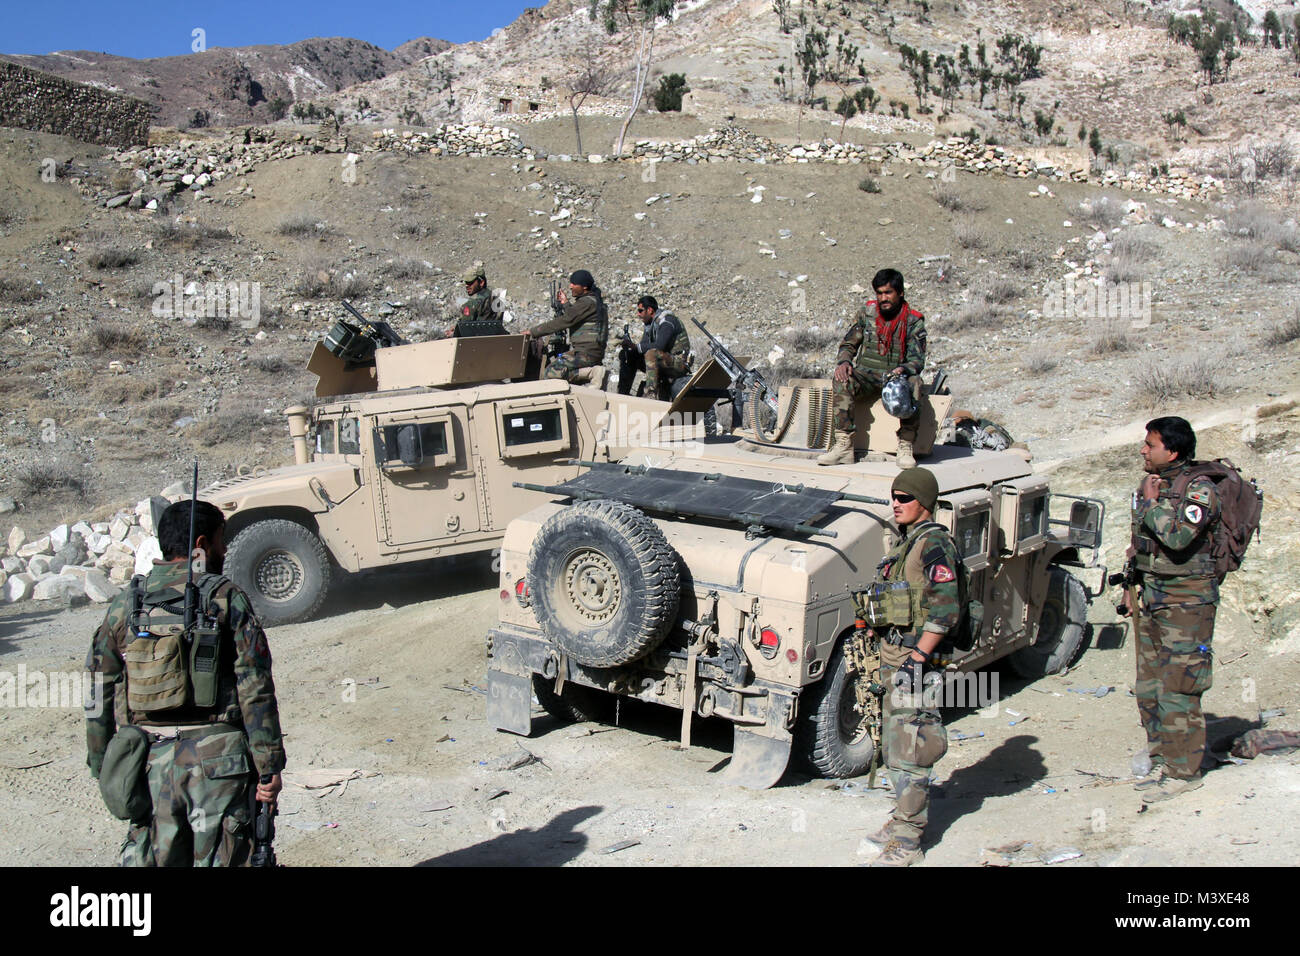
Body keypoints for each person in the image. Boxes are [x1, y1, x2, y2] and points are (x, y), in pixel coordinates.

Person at [85, 499, 286, 866]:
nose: (224, 551)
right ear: (201, 545)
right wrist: (269, 765)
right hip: (219, 763)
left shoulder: (123, 606)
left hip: (146, 762)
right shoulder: (227, 597)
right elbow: (255, 687)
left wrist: (104, 765)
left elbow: (98, 692)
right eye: (221, 541)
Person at [857, 467, 957, 866]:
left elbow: (946, 609)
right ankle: (902, 819)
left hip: (915, 660)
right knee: (895, 745)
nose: (896, 503)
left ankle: (909, 840)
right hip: (895, 655)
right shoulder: (908, 542)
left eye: (905, 497)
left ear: (925, 502)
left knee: (912, 749)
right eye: (893, 496)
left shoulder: (934, 546)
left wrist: (918, 658)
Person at [1129, 416, 1221, 804]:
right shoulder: (1153, 485)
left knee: (1179, 687)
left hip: (1187, 602)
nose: (1143, 451)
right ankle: (1161, 755)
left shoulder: (1200, 491)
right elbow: (1141, 539)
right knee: (1149, 686)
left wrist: (1152, 504)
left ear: (1174, 450)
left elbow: (1179, 537)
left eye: (1150, 445)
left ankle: (1185, 772)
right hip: (1151, 596)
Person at [819, 268, 926, 468]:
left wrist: (902, 370)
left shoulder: (913, 322)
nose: (883, 298)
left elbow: (917, 360)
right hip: (866, 375)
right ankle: (843, 445)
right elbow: (848, 344)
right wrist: (844, 362)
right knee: (842, 378)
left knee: (915, 383)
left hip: (896, 378)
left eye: (888, 293)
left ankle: (905, 444)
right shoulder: (867, 314)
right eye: (879, 293)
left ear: (900, 293)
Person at [528, 269, 608, 381]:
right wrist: (565, 303)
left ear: (584, 287)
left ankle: (591, 373)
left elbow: (565, 320)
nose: (570, 286)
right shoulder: (593, 301)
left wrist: (533, 332)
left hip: (586, 354)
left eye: (574, 284)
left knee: (551, 372)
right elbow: (574, 316)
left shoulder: (587, 302)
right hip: (590, 352)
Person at [617, 295, 691, 400]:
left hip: (678, 364)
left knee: (651, 353)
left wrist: (635, 346)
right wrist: (630, 348)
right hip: (662, 361)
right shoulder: (650, 326)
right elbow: (643, 347)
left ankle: (650, 395)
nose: (638, 314)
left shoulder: (667, 321)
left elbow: (659, 346)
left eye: (640, 311)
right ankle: (622, 393)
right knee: (629, 355)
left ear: (650, 310)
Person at [446, 263, 503, 337]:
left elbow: (464, 331)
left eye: (470, 282)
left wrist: (452, 334)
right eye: (466, 282)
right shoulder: (496, 299)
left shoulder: (472, 303)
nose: (467, 285)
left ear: (481, 282)